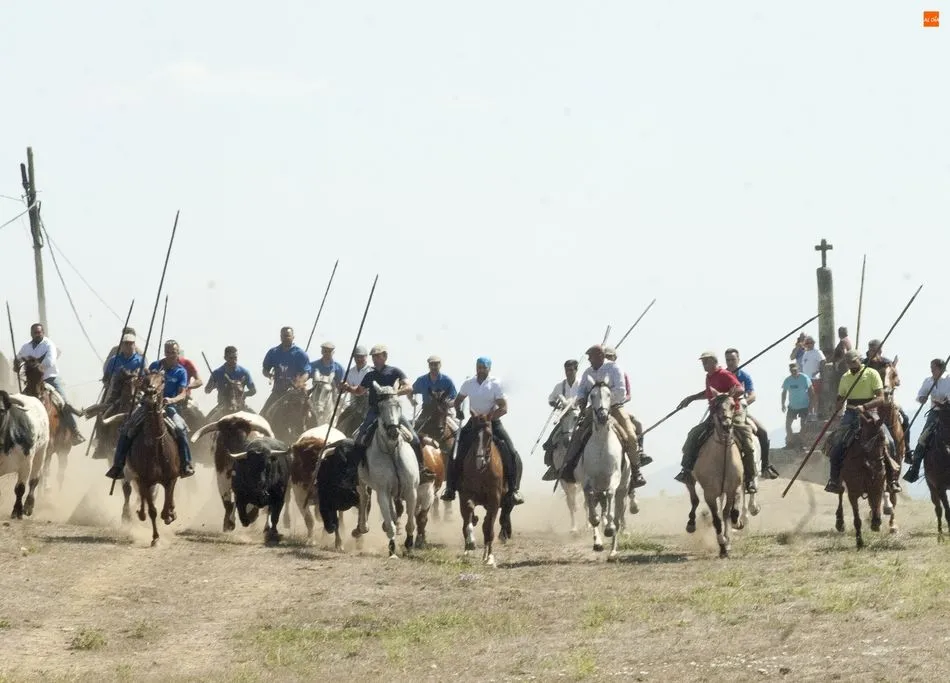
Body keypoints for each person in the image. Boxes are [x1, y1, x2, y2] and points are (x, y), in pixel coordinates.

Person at [341, 345, 435, 483]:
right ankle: (353, 472)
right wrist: (348, 387)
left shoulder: (395, 371)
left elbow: (409, 387)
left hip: (393, 411)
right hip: (374, 411)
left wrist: (393, 393)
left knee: (414, 437)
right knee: (359, 438)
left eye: (377, 356)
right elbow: (359, 391)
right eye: (373, 356)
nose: (375, 359)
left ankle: (421, 469)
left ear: (385, 356)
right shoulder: (370, 375)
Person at [557, 345, 646, 490]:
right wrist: (581, 399)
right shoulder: (587, 372)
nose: (589, 360)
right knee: (577, 435)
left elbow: (621, 391)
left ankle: (636, 471)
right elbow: (582, 391)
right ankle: (569, 467)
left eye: (590, 357)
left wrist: (605, 402)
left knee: (630, 435)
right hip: (593, 410)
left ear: (599, 356)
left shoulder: (614, 369)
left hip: (615, 408)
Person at [105, 339, 195, 479]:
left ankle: (186, 464)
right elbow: (143, 384)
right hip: (147, 406)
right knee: (126, 429)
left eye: (174, 352)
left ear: (178, 353)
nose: (171, 355)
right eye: (168, 352)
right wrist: (138, 384)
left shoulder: (181, 371)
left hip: (169, 408)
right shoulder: (155, 366)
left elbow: (183, 393)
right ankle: (118, 466)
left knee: (180, 429)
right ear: (164, 352)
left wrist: (171, 400)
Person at [441, 357, 525, 505]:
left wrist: (489, 417)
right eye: (478, 367)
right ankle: (450, 488)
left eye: (483, 367)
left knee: (511, 452)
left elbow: (504, 407)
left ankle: (513, 490)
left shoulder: (495, 384)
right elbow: (459, 400)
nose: (480, 370)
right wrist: (458, 410)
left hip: (492, 423)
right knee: (455, 451)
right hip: (473, 423)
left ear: (489, 369)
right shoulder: (469, 383)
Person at [674, 351, 758, 494]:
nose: (704, 365)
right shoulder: (709, 377)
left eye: (706, 362)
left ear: (714, 362)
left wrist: (724, 397)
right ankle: (687, 471)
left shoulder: (724, 374)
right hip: (715, 415)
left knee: (747, 441)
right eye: (703, 362)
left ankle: (749, 478)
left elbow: (740, 389)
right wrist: (692, 398)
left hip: (732, 413)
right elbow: (708, 393)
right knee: (693, 434)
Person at [824, 350, 900, 494]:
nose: (851, 364)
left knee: (889, 441)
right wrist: (838, 403)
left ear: (860, 360)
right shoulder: (845, 377)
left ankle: (892, 480)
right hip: (851, 413)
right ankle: (834, 480)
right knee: (837, 444)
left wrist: (865, 406)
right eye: (848, 362)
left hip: (871, 412)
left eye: (853, 361)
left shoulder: (871, 373)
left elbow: (881, 398)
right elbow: (840, 397)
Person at [15, 322, 85, 445]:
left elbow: (50, 361)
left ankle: (75, 432)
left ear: (43, 333)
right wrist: (16, 363)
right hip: (33, 382)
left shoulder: (48, 344)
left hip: (50, 379)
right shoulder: (26, 347)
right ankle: (18, 434)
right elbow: (19, 357)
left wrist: (35, 367)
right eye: (35, 333)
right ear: (31, 334)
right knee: (19, 404)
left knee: (64, 403)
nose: (37, 334)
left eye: (39, 332)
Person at [725, 348, 778, 478]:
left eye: (733, 359)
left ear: (738, 360)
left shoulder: (744, 376)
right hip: (723, 414)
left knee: (763, 432)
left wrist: (744, 403)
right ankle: (690, 469)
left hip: (741, 413)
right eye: (728, 360)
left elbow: (752, 395)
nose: (730, 362)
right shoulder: (723, 375)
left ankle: (765, 466)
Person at [603, 347, 652, 468]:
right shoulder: (598, 372)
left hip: (616, 408)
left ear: (615, 358)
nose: (608, 359)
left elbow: (628, 394)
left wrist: (620, 398)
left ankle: (639, 453)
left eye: (610, 356)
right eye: (606, 356)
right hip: (600, 408)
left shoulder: (621, 373)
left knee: (638, 424)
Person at [903, 358, 950, 483]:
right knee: (922, 439)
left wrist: (943, 403)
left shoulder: (949, 379)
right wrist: (922, 398)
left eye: (933, 368)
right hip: (934, 414)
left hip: (948, 413)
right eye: (931, 367)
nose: (931, 370)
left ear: (941, 368)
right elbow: (920, 396)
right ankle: (915, 469)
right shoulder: (928, 381)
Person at [863, 339, 911, 457]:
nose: (873, 352)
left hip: (887, 399)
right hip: (869, 400)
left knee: (904, 417)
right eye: (871, 350)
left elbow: (896, 381)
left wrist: (892, 383)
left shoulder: (887, 363)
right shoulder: (863, 364)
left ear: (880, 350)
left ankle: (907, 449)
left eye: (875, 350)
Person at [85, 333, 145, 416]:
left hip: (134, 393)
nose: (128, 346)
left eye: (130, 343)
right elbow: (106, 376)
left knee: (142, 412)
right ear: (122, 345)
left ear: (134, 345)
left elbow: (144, 378)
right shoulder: (114, 359)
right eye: (126, 343)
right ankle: (93, 417)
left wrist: (139, 383)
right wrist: (106, 382)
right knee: (105, 410)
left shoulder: (140, 360)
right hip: (116, 392)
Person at [541, 359, 581, 481]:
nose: (568, 373)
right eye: (566, 370)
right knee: (551, 441)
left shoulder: (581, 385)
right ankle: (553, 467)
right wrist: (557, 405)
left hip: (579, 417)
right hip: (564, 419)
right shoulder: (560, 386)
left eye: (571, 370)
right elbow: (551, 399)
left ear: (576, 370)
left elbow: (589, 398)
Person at [260, 327, 312, 415]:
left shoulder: (300, 354)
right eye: (284, 336)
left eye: (288, 336)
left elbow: (306, 372)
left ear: (293, 337)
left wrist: (298, 382)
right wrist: (269, 375)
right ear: (280, 337)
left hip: (296, 393)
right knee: (263, 414)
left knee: (310, 414)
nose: (286, 338)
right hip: (278, 391)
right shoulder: (273, 352)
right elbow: (265, 369)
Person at [781, 360, 814, 443]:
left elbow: (811, 392)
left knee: (804, 424)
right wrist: (783, 404)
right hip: (792, 406)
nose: (793, 372)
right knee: (788, 425)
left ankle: (802, 442)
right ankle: (790, 441)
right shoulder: (787, 380)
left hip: (804, 405)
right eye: (792, 371)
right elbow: (784, 392)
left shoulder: (804, 378)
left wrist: (811, 405)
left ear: (798, 369)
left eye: (795, 370)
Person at [799, 336, 825, 420]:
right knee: (808, 397)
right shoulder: (805, 354)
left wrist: (818, 371)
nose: (809, 344)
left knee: (815, 396)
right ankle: (810, 413)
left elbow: (823, 361)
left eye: (810, 343)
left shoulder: (817, 352)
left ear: (813, 343)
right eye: (807, 343)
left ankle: (815, 414)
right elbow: (803, 366)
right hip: (806, 379)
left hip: (815, 378)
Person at [341, 346, 371, 410]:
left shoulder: (371, 371)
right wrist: (342, 386)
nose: (359, 359)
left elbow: (360, 390)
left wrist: (348, 387)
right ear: (354, 358)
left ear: (366, 357)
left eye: (361, 357)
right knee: (341, 419)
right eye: (357, 357)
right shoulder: (350, 372)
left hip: (369, 405)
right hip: (354, 406)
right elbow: (343, 390)